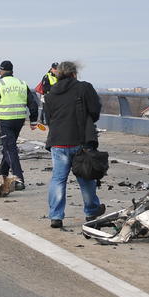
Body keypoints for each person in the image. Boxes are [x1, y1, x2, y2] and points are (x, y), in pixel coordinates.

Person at [44, 61, 104, 229]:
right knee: (85, 177)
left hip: (58, 142)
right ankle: (91, 212)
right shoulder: (84, 88)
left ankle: (56, 216)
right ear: (74, 73)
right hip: (80, 141)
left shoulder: (50, 94)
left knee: (58, 179)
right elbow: (95, 111)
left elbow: (48, 119)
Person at [0, 60, 38, 191]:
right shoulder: (22, 83)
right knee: (8, 146)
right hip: (19, 120)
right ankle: (2, 175)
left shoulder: (0, 84)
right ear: (12, 71)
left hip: (6, 121)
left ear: (1, 71)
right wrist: (33, 120)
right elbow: (33, 103)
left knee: (10, 148)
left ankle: (19, 179)